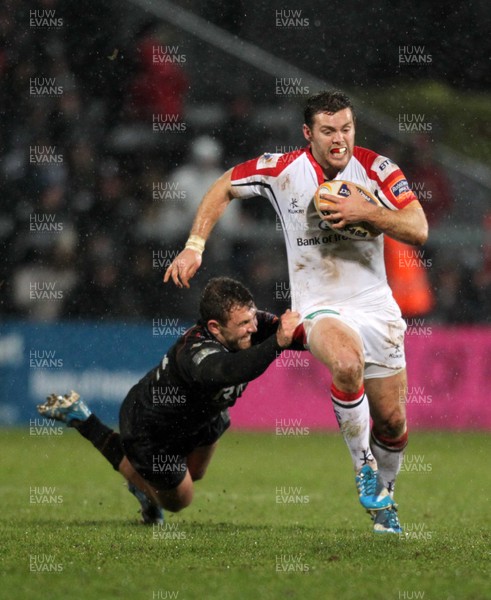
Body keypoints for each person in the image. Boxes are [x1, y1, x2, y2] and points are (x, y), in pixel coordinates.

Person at [164, 90, 429, 534]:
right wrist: (195, 246)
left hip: (375, 305)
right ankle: (363, 468)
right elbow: (224, 184)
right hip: (319, 306)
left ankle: (385, 501)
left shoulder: (379, 169)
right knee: (346, 364)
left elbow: (418, 228)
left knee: (394, 421)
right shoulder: (283, 169)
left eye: (346, 128)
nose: (339, 139)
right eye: (328, 131)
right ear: (309, 133)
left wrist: (367, 211)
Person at [37, 277, 300, 524]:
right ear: (214, 328)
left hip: (202, 417)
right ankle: (86, 422)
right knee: (180, 500)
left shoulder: (250, 326)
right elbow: (229, 371)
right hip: (151, 430)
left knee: (195, 473)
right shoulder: (195, 352)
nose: (253, 328)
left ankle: (152, 486)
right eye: (244, 324)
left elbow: (297, 336)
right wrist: (277, 342)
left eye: (252, 318)